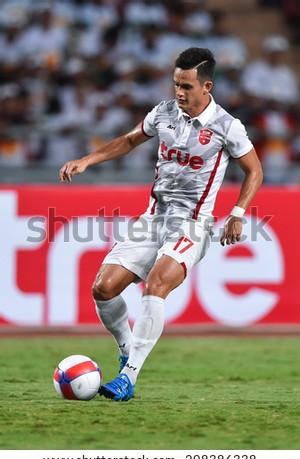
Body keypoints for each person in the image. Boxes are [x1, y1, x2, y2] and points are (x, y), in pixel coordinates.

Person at [59, 47, 263, 402]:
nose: (179, 92)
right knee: (103, 289)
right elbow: (128, 140)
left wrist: (237, 213)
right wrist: (87, 160)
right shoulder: (164, 113)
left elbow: (255, 171)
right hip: (153, 217)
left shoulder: (227, 127)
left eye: (186, 86)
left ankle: (128, 377)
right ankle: (127, 349)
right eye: (175, 84)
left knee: (155, 284)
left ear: (207, 87)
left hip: (193, 224)